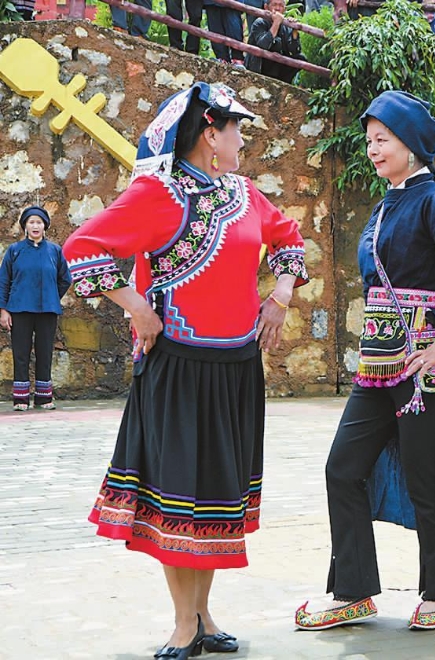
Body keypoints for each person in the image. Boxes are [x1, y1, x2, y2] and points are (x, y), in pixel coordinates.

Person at [62, 82, 308, 658]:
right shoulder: (159, 194)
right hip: (179, 369)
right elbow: (82, 249)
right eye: (236, 129)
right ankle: (183, 624)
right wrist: (138, 307)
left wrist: (281, 295)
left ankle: (202, 615)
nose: (243, 139)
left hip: (237, 368)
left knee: (217, 500)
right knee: (181, 501)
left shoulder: (246, 195)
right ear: (209, 133)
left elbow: (288, 239)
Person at [294, 91, 435, 632]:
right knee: (342, 467)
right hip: (377, 363)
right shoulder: (387, 204)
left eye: (383, 140)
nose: (373, 150)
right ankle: (353, 591)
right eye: (370, 140)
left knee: (425, 476)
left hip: (424, 368)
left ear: (412, 146)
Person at [0, 207, 71, 411]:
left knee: (45, 352)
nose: (35, 226)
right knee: (21, 353)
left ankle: (43, 398)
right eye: (31, 222)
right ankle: (21, 400)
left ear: (45, 226)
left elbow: (65, 278)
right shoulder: (15, 250)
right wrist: (3, 310)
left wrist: (52, 295)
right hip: (19, 309)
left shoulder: (54, 251)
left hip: (47, 310)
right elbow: (3, 281)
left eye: (39, 222)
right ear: (25, 226)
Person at [246, 0, 307, 84]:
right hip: (259, 66)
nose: (278, 8)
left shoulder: (286, 25)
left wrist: (294, 31)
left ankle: (283, 83)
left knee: (301, 58)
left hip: (278, 68)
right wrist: (276, 23)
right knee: (276, 44)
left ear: (284, 9)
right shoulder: (259, 22)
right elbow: (264, 45)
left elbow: (295, 51)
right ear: (266, 7)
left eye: (281, 5)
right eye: (274, 5)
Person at [204, 0, 245, 66]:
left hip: (232, 3)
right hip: (212, 3)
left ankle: (237, 59)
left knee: (234, 29)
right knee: (215, 31)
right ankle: (221, 59)